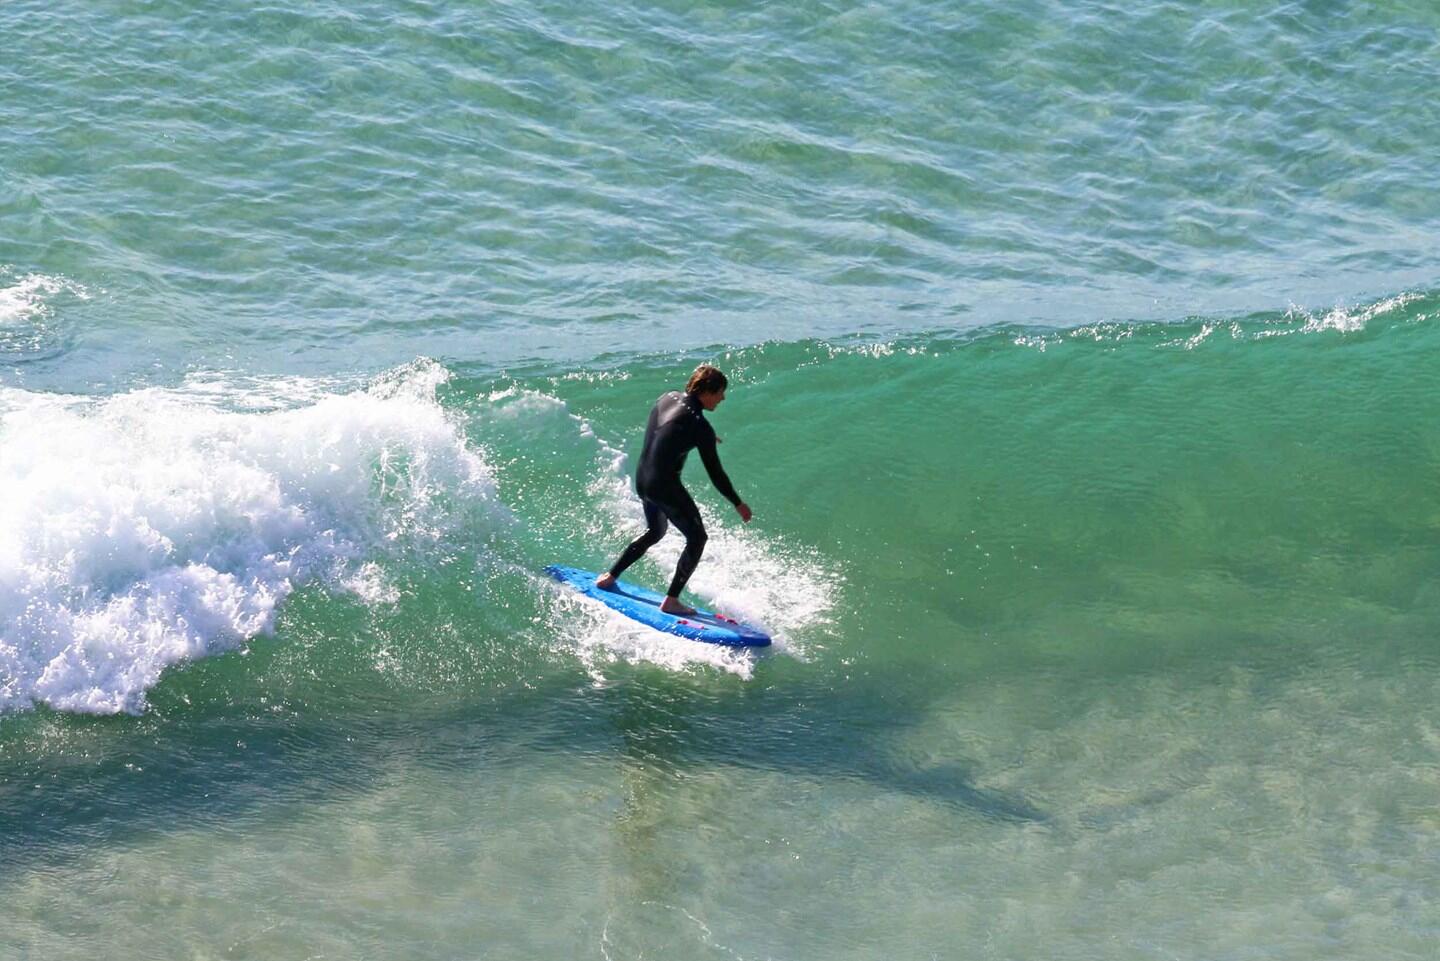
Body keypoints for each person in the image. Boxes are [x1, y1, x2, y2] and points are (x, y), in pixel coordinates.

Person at [596, 364, 752, 614]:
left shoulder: (668, 397)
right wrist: (737, 502)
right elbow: (716, 474)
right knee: (698, 538)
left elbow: (670, 430)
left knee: (655, 531)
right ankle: (671, 601)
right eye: (721, 392)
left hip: (643, 480)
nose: (723, 398)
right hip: (664, 486)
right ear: (708, 391)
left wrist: (705, 439)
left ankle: (610, 576)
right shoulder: (700, 426)